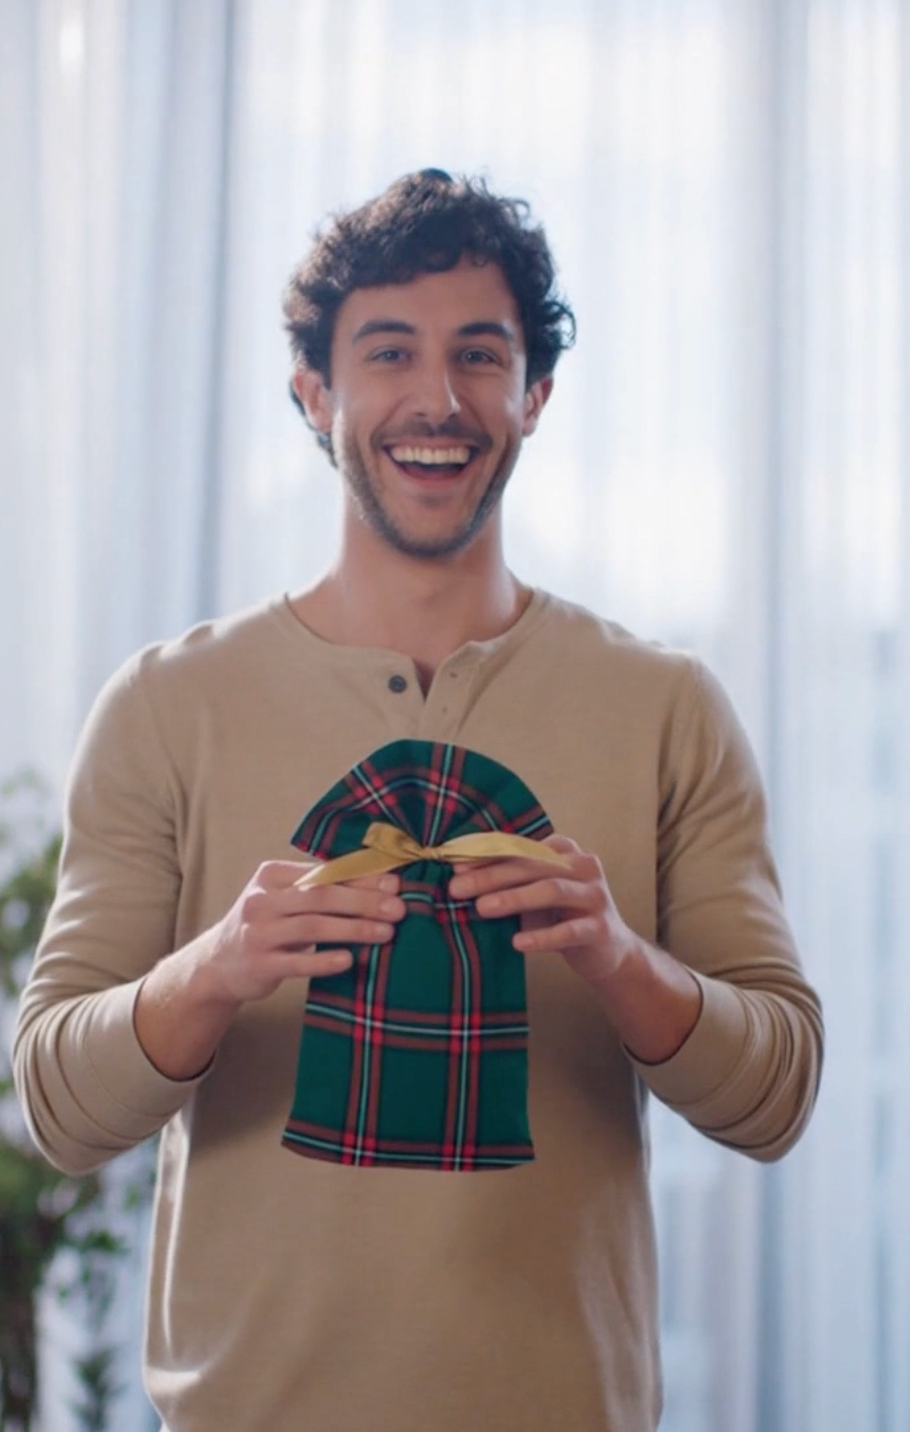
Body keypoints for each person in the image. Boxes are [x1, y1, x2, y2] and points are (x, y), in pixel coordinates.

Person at [14, 169, 823, 1432]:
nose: (437, 400)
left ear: (534, 396)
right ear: (314, 392)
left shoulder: (668, 706)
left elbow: (776, 1097)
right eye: (388, 352)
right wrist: (219, 967)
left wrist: (617, 958)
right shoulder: (166, 704)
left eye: (479, 356)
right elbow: (58, 1107)